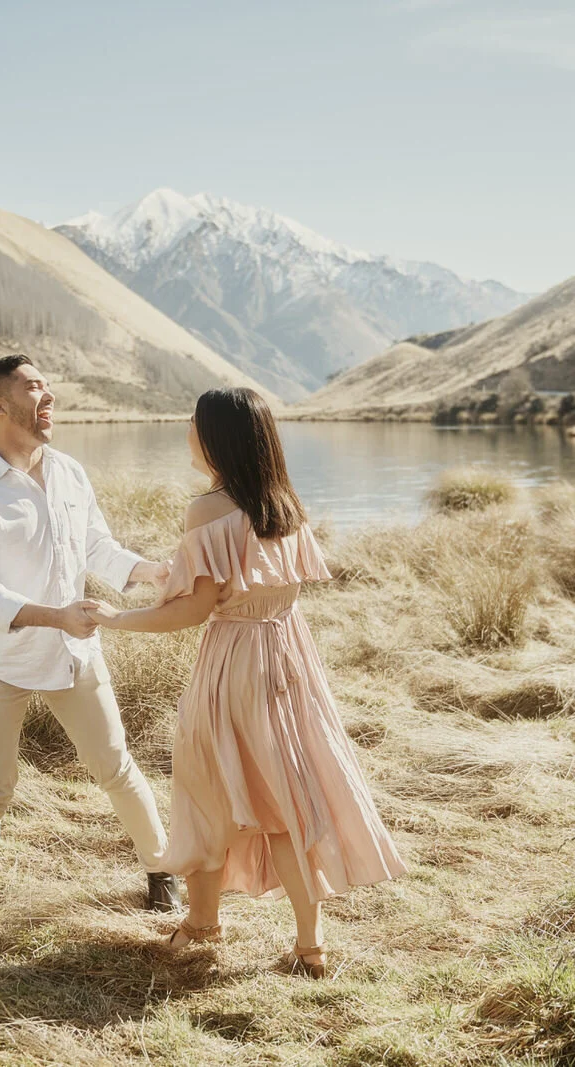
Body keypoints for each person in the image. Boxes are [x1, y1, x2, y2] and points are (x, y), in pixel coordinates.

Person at [86, 387, 406, 978]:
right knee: (283, 797)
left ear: (215, 438)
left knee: (209, 784)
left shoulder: (209, 510)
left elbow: (190, 611)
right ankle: (310, 944)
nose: (186, 429)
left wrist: (114, 619)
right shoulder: (282, 503)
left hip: (235, 664)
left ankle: (204, 922)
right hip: (288, 656)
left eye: (192, 421)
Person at [0, 353, 179, 959]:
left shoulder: (70, 472)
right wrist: (54, 615)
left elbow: (96, 545)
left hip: (75, 653)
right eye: (34, 387)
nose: (49, 396)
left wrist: (148, 570)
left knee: (118, 767)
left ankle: (162, 874)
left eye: (47, 384)